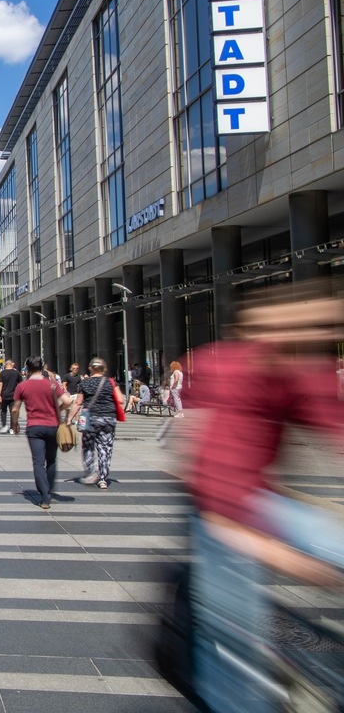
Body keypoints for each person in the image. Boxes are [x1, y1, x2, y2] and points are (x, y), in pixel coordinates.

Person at [183, 286, 344, 712]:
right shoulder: (227, 369)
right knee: (233, 631)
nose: (316, 339)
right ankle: (233, 693)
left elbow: (334, 426)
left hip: (262, 497)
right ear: (258, 331)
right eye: (302, 330)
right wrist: (290, 559)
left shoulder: (303, 365)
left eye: (321, 330)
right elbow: (219, 507)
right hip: (220, 513)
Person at [11, 356, 70, 510]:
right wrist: (58, 409)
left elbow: (15, 408)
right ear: (42, 367)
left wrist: (15, 423)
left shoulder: (23, 386)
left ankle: (44, 496)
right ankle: (48, 489)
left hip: (34, 427)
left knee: (38, 462)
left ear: (27, 369)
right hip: (52, 426)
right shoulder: (51, 384)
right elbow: (67, 401)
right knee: (51, 460)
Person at [67, 357, 122, 489]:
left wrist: (69, 419)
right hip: (108, 419)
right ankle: (103, 479)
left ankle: (92, 473)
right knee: (105, 448)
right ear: (105, 369)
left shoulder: (85, 383)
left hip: (90, 419)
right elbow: (120, 399)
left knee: (88, 446)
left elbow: (78, 403)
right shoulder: (110, 382)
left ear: (91, 368)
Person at [0, 359, 21, 433]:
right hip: (13, 395)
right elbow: (20, 383)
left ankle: (4, 426)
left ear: (5, 365)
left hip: (4, 395)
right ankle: (12, 428)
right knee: (13, 411)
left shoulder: (2, 373)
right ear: (11, 364)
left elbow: (0, 384)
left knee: (3, 411)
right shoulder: (16, 373)